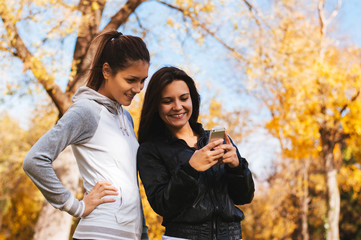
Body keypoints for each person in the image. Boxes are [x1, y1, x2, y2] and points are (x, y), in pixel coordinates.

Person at [23, 30, 150, 240]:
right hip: (100, 233)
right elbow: (35, 160)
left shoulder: (125, 117)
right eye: (131, 80)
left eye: (142, 80)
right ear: (107, 71)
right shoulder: (86, 111)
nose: (138, 88)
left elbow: (129, 182)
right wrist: (77, 207)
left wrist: (142, 233)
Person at [137, 66, 255, 240]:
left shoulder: (217, 139)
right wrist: (191, 169)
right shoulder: (151, 150)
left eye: (184, 98)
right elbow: (162, 205)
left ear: (193, 99)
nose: (178, 107)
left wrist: (236, 167)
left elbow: (244, 196)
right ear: (156, 105)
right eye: (168, 101)